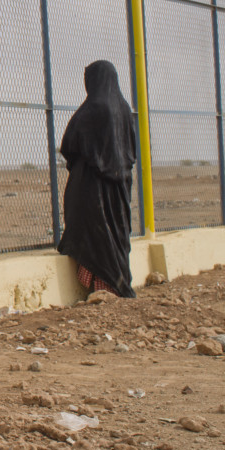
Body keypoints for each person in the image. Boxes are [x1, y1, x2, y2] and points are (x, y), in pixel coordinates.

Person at [57, 60, 137, 299]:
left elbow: (69, 143)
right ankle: (115, 283)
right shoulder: (124, 109)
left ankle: (100, 286)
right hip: (120, 187)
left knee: (91, 230)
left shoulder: (93, 108)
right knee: (115, 234)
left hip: (91, 187)